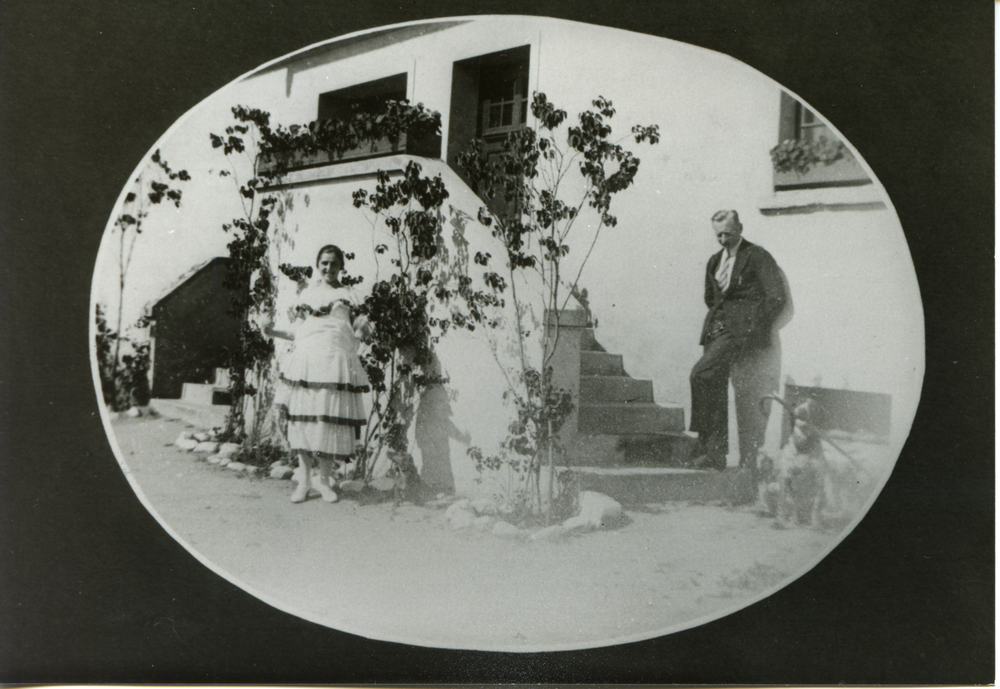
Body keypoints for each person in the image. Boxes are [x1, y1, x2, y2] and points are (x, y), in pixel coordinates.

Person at [265, 244, 372, 503]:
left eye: (334, 263)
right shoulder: (308, 294)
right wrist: (270, 332)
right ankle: (303, 483)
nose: (329, 268)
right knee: (302, 422)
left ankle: (324, 483)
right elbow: (297, 333)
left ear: (341, 267)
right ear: (318, 264)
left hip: (335, 363)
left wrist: (362, 330)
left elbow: (358, 331)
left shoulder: (350, 295)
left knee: (328, 422)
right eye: (324, 263)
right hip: (307, 363)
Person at [689, 210, 789, 472]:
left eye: (728, 233)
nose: (723, 239)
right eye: (718, 234)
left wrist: (751, 329)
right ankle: (714, 453)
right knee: (712, 384)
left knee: (701, 374)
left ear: (740, 229)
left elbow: (776, 298)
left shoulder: (757, 256)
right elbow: (711, 297)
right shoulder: (714, 261)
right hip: (715, 331)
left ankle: (735, 457)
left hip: (742, 334)